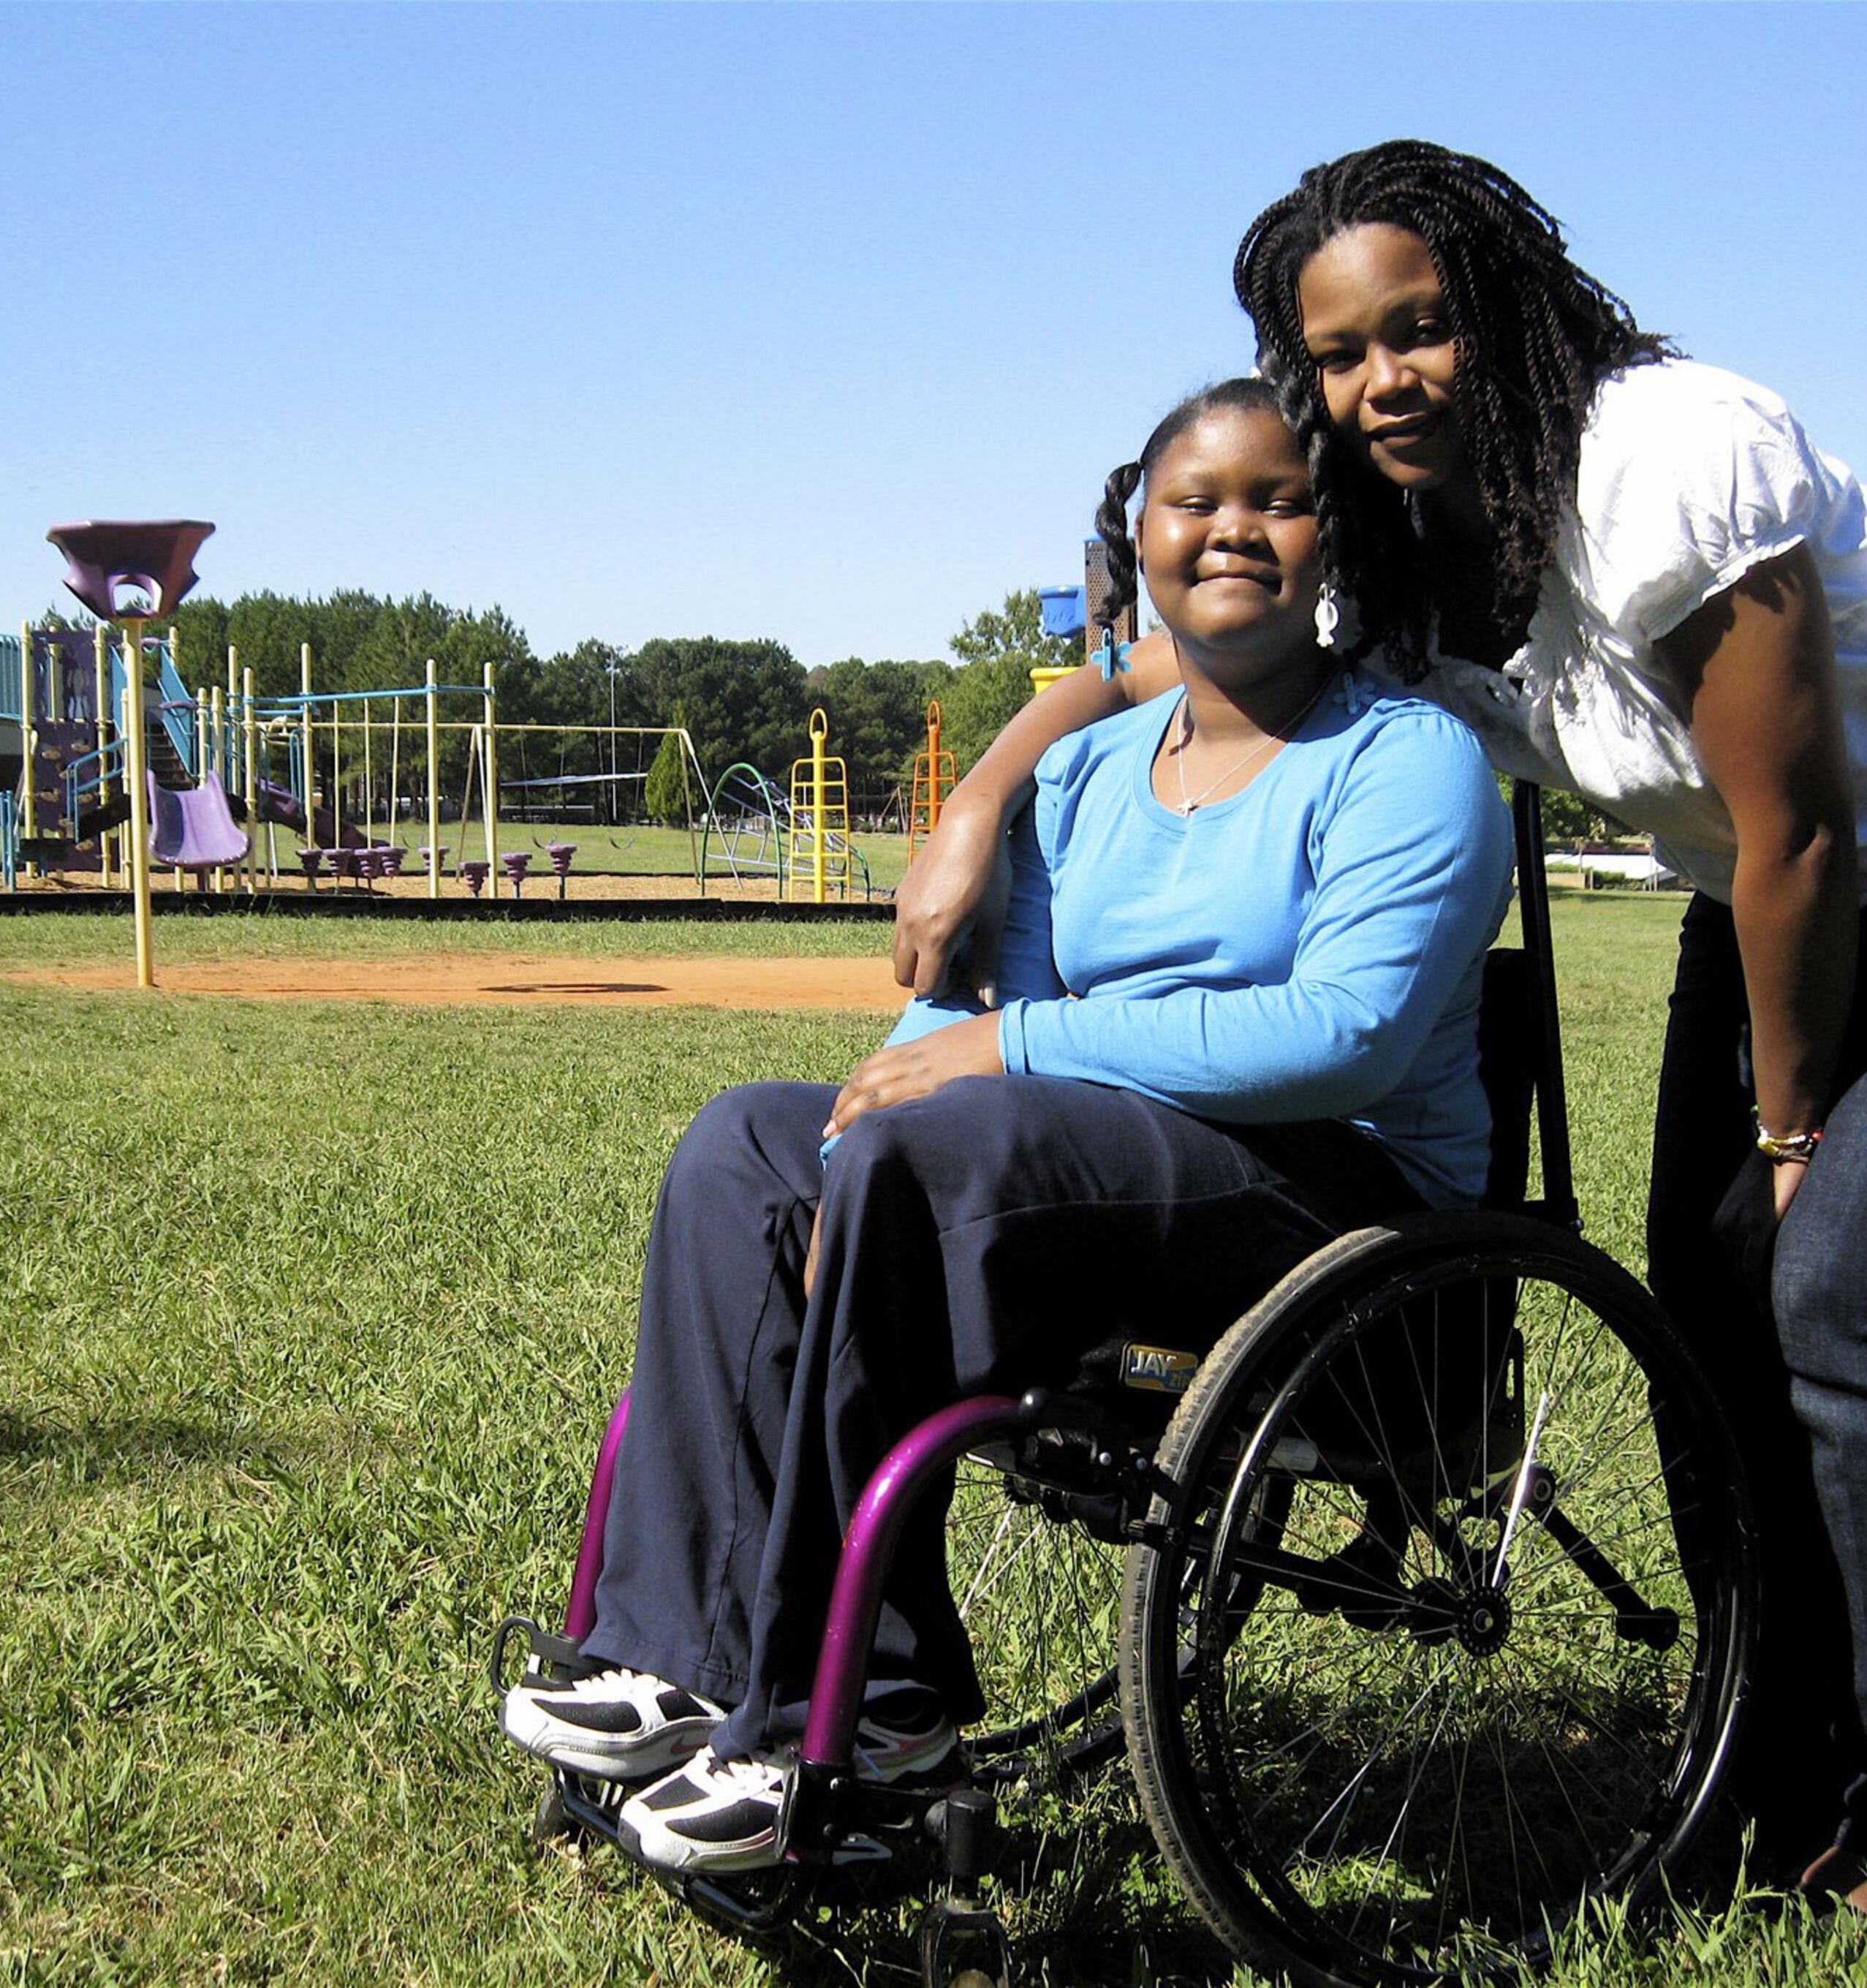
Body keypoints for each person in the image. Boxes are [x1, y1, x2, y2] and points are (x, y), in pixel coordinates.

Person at [897, 142, 1867, 1912]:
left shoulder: (1666, 456)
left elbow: (1807, 826)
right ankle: (1765, 1754)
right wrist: (982, 792)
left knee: (1841, 1290)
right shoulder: (1398, 537)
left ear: (1500, 304)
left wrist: (1797, 1140)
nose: (1386, 380)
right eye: (1341, 355)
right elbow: (1154, 669)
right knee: (1707, 1302)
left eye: (1420, 329)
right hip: (1769, 877)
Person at [501, 379, 1512, 1876]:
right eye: (1196, 501)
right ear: (1145, 540)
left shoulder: (1405, 760)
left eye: (1277, 499)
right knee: (750, 1150)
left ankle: (874, 1723)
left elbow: (1343, 1031)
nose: (1233, 527)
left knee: (944, 1148)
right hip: (1093, 1161)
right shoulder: (1095, 766)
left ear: (1334, 534)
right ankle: (685, 1654)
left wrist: (1000, 1052)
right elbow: (965, 1025)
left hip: (1339, 1206)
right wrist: (861, 1132)